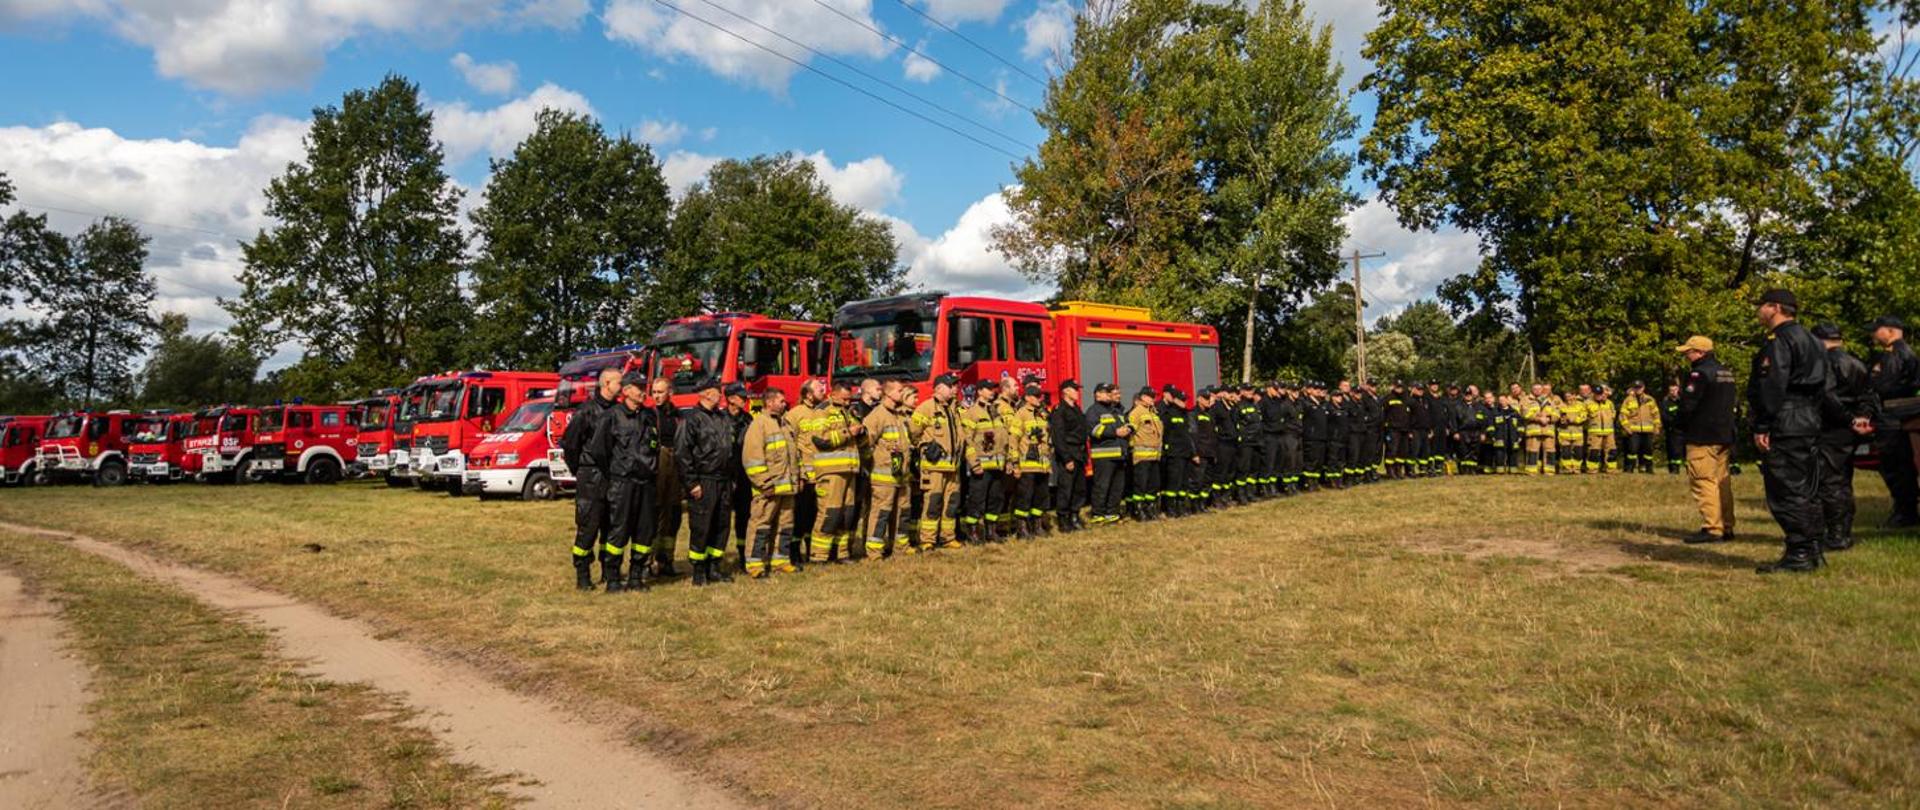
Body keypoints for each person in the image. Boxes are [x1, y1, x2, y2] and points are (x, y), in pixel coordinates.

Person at [1747, 289, 1830, 573]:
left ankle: (1800, 552)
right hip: (1808, 416)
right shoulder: (1813, 340)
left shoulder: (1779, 340)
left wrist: (1762, 424)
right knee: (1807, 487)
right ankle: (1813, 544)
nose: (1758, 311)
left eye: (1762, 306)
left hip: (1786, 417)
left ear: (1775, 308)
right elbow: (1823, 385)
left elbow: (1773, 385)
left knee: (1786, 489)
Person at [594, 371, 662, 593]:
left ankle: (636, 576)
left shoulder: (650, 416)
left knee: (644, 532)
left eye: (645, 386)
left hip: (646, 484)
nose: (644, 391)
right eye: (639, 387)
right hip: (622, 483)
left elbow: (655, 448)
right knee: (619, 531)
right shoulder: (612, 416)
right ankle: (613, 577)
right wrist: (617, 472)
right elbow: (600, 451)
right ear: (626, 391)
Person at [1813, 324, 1877, 551]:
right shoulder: (1857, 362)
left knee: (1829, 481)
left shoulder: (1825, 363)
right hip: (1850, 429)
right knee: (1842, 479)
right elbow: (1869, 395)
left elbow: (1828, 396)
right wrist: (1862, 418)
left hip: (1831, 427)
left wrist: (1849, 419)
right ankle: (1842, 530)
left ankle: (1837, 534)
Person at [561, 367, 621, 590]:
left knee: (611, 524)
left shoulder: (618, 411)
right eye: (618, 383)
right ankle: (583, 574)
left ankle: (608, 570)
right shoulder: (585, 412)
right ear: (606, 384)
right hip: (591, 476)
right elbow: (569, 444)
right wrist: (581, 470)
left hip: (613, 475)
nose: (621, 387)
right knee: (589, 524)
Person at [1674, 336, 1739, 544]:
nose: (1686, 356)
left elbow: (1688, 405)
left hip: (1702, 435)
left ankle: (1712, 527)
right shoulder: (1725, 372)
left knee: (1703, 480)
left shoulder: (1699, 373)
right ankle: (1726, 525)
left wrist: (1680, 426)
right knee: (1722, 481)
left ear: (1700, 353)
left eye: (1689, 352)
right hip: (1724, 434)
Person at [676, 377, 735, 586]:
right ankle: (699, 570)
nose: (721, 394)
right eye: (718, 391)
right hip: (704, 480)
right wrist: (692, 484)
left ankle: (714, 566)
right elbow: (683, 454)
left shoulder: (721, 417)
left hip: (724, 480)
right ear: (708, 394)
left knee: (721, 525)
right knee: (701, 525)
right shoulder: (692, 419)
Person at [801, 379, 864, 561]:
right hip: (831, 472)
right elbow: (820, 440)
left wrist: (861, 432)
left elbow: (856, 439)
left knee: (847, 515)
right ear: (834, 394)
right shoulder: (822, 412)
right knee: (830, 514)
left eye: (849, 399)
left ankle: (842, 553)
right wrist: (848, 433)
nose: (847, 402)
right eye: (844, 399)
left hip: (849, 470)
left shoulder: (848, 412)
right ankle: (819, 555)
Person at [741, 387, 801, 577]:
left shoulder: (785, 424)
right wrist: (764, 483)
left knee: (785, 526)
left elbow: (793, 456)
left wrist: (797, 479)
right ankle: (755, 564)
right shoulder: (759, 425)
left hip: (787, 488)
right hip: (768, 489)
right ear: (769, 402)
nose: (785, 404)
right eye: (781, 401)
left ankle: (780, 560)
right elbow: (752, 459)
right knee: (761, 526)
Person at [1867, 315, 1919, 527]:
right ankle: (1905, 510)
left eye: (1876, 329)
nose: (1872, 334)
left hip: (1892, 417)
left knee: (1896, 466)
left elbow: (1883, 387)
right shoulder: (1903, 352)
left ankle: (1905, 513)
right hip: (1896, 416)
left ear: (1890, 331)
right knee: (1900, 465)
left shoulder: (1894, 354)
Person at [910, 374, 964, 550]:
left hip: (952, 467)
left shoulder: (954, 409)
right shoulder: (925, 408)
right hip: (934, 468)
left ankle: (948, 537)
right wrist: (924, 445)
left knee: (951, 503)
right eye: (951, 386)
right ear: (939, 388)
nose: (954, 389)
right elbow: (913, 433)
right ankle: (928, 539)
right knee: (933, 502)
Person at [861, 380, 913, 556]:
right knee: (881, 513)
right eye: (900, 390)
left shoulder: (899, 416)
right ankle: (875, 551)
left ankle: (900, 548)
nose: (903, 394)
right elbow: (865, 445)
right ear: (889, 394)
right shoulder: (877, 416)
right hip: (884, 478)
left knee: (903, 512)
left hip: (902, 477)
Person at [960, 381, 1008, 541]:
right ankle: (972, 532)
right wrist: (974, 463)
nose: (992, 392)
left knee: (996, 499)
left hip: (998, 466)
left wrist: (1008, 461)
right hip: (981, 467)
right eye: (988, 389)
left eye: (993, 389)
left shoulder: (995, 411)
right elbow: (967, 440)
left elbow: (1003, 439)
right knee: (976, 500)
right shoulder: (972, 413)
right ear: (979, 391)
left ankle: (991, 531)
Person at [648, 377, 684, 578]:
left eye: (660, 392)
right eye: (654, 392)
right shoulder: (650, 416)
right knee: (655, 515)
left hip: (675, 462)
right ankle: (648, 561)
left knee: (674, 515)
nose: (656, 396)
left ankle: (666, 560)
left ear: (670, 392)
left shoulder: (678, 416)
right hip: (658, 464)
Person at [1006, 384, 1053, 537]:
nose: (1040, 398)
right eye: (1036, 396)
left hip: (1043, 466)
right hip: (1027, 466)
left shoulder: (1041, 414)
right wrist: (1015, 464)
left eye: (1040, 396)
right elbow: (1013, 440)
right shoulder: (1021, 414)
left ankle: (1037, 525)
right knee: (1024, 498)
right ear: (1027, 398)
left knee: (1041, 497)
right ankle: (1022, 528)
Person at [1087, 383, 1131, 524]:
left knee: (1117, 487)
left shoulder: (1115, 410)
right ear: (1097, 395)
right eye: (1106, 392)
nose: (1109, 395)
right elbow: (1094, 430)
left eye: (1109, 392)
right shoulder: (1093, 410)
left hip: (1119, 454)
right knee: (1102, 486)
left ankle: (1112, 513)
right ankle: (1098, 514)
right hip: (1103, 456)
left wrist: (1128, 429)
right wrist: (1115, 432)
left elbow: (1124, 424)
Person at [1048, 380, 1088, 531]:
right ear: (1065, 392)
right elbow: (1058, 436)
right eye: (1075, 390)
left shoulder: (1076, 409)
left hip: (1080, 454)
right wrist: (1066, 459)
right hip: (1069, 454)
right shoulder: (1060, 411)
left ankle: (1074, 516)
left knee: (1079, 488)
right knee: (1066, 488)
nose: (1078, 392)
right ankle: (1063, 519)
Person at [724, 383, 754, 568]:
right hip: (725, 475)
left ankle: (744, 555)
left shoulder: (748, 420)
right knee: (721, 519)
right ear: (731, 399)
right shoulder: (720, 419)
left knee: (744, 517)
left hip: (744, 476)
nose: (745, 400)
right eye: (742, 397)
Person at [1127, 387, 1165, 519]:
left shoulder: (1153, 413)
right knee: (1140, 486)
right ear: (1142, 397)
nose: (1152, 399)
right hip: (1142, 457)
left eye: (1154, 396)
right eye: (1150, 396)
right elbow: (1130, 431)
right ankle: (1139, 510)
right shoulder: (1137, 412)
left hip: (1155, 456)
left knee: (1153, 485)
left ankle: (1150, 508)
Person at [1620, 381, 1661, 474]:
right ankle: (1630, 467)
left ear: (1643, 388)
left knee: (1648, 450)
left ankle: (1649, 468)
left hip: (1648, 429)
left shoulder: (1650, 399)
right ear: (1633, 388)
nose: (1638, 389)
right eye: (1636, 387)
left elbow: (1656, 414)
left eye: (1640, 387)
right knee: (1632, 449)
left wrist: (1657, 427)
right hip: (1633, 430)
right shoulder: (1628, 400)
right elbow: (1623, 415)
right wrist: (1626, 428)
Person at [1585, 384, 1618, 472]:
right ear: (1593, 393)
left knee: (1611, 451)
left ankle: (1611, 469)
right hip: (1594, 432)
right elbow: (1584, 416)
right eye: (1597, 394)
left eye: (1600, 394)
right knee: (1594, 451)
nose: (1599, 396)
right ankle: (1592, 469)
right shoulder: (1588, 403)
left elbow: (1613, 413)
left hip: (1609, 431)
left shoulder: (1609, 403)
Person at [1661, 382, 1685, 474]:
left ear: (1678, 390)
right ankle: (1674, 469)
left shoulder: (1683, 401)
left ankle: (1688, 469)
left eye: (1675, 390)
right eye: (1671, 390)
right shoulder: (1666, 402)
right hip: (1672, 430)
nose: (1673, 392)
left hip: (1683, 429)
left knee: (1685, 450)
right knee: (1673, 450)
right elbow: (1664, 416)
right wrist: (1674, 422)